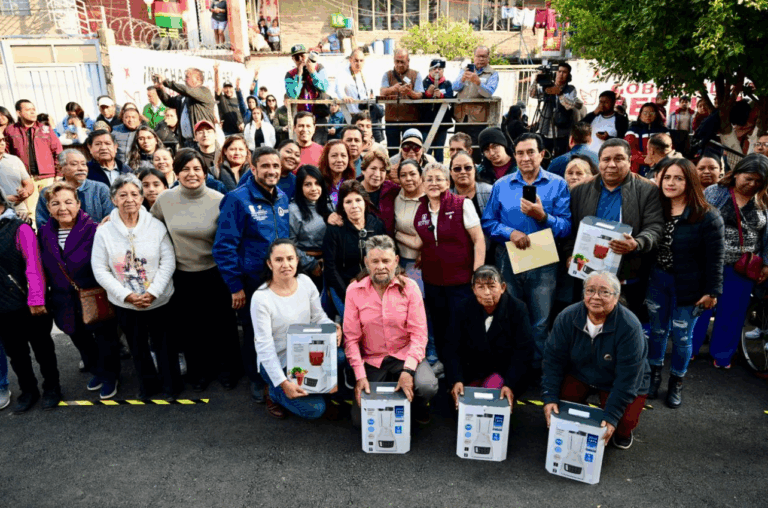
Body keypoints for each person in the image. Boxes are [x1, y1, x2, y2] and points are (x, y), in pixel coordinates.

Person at [151, 149, 241, 392]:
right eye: (185, 169)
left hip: (215, 272)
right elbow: (149, 227)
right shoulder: (165, 199)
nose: (191, 174)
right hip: (182, 274)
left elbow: (232, 236)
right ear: (176, 172)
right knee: (191, 328)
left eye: (197, 169)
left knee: (222, 326)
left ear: (205, 172)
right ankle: (200, 372)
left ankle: (228, 370)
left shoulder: (218, 198)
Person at [482, 133, 571, 373]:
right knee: (510, 317)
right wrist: (510, 233)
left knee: (541, 321)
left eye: (531, 152)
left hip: (543, 260)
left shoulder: (557, 184)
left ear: (542, 154)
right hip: (509, 258)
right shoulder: (502, 185)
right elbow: (488, 222)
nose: (525, 158)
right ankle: (511, 369)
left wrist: (543, 217)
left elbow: (566, 227)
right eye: (520, 153)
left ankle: (536, 372)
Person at [644, 158, 724, 408]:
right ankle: (654, 376)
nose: (671, 182)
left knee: (681, 337)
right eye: (667, 177)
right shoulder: (657, 208)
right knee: (656, 333)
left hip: (690, 288)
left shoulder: (708, 216)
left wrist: (712, 291)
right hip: (658, 281)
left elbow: (716, 258)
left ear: (690, 181)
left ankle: (676, 381)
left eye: (678, 178)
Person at [92, 174, 179, 401]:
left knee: (164, 345)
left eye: (134, 194)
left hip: (159, 299)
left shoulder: (156, 226)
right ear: (113, 199)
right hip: (126, 303)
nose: (129, 199)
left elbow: (168, 261)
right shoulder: (104, 231)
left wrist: (153, 292)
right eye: (122, 195)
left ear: (142, 198)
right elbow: (100, 269)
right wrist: (127, 296)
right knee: (137, 347)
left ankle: (171, 386)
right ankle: (148, 386)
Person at [213, 146, 290, 403]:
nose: (271, 171)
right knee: (255, 332)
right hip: (252, 280)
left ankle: (278, 375)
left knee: (278, 329)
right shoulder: (237, 199)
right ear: (253, 168)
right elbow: (224, 246)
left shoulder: (283, 198)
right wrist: (235, 285)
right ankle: (256, 380)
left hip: (281, 279)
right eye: (265, 166)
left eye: (275, 166)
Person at [542, 271, 651, 450]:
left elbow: (628, 378)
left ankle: (620, 427)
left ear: (616, 297)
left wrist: (612, 416)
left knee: (622, 425)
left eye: (604, 292)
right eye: (590, 290)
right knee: (559, 409)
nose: (595, 297)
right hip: (581, 373)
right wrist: (549, 397)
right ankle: (587, 415)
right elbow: (552, 361)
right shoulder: (567, 317)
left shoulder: (630, 326)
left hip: (618, 380)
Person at [38, 182, 121, 399]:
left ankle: (110, 375)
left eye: (68, 202)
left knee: (104, 338)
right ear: (48, 208)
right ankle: (97, 371)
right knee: (79, 338)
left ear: (78, 204)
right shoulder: (45, 234)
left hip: (94, 293)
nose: (62, 208)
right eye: (55, 203)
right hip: (62, 298)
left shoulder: (94, 229)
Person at [344, 234, 439, 424]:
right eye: (375, 261)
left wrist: (408, 371)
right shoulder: (354, 290)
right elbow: (351, 339)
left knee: (427, 386)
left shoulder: (410, 288)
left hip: (405, 355)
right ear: (366, 263)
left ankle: (416, 407)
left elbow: (419, 335)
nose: (380, 266)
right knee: (359, 420)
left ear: (396, 261)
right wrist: (360, 376)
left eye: (386, 261)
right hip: (373, 359)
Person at [565, 138, 664, 316]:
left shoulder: (647, 190)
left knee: (623, 329)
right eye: (606, 159)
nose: (611, 164)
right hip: (587, 273)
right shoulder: (579, 190)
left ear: (629, 160)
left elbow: (655, 227)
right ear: (599, 162)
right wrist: (568, 254)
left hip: (628, 275)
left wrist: (637, 243)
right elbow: (568, 229)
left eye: (618, 159)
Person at [690, 154, 768, 369]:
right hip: (710, 261)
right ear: (736, 175)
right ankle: (689, 349)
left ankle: (722, 354)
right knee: (700, 307)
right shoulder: (715, 192)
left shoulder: (763, 198)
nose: (752, 184)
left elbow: (767, 235)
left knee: (733, 311)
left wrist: (766, 263)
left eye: (758, 181)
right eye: (748, 178)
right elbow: (697, 223)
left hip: (744, 266)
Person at [252, 238, 341, 419]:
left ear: (297, 261)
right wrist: (283, 382)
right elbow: (264, 348)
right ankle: (274, 392)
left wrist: (333, 328)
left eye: (290, 258)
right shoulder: (261, 298)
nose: (286, 264)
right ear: (269, 264)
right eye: (279, 260)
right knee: (315, 409)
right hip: (280, 361)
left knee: (341, 356)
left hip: (305, 354)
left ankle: (314, 388)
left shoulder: (305, 282)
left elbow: (318, 317)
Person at [0, 188, 62, 413]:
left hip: (29, 303)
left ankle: (52, 387)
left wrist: (36, 299)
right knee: (16, 354)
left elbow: (33, 265)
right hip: (3, 308)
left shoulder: (20, 228)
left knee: (43, 349)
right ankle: (29, 390)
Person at [415, 162, 485, 361]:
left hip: (461, 281)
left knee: (463, 327)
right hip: (433, 281)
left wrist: (477, 274)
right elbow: (422, 240)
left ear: (447, 182)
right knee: (440, 327)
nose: (434, 183)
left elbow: (478, 239)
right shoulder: (421, 209)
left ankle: (468, 371)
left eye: (439, 179)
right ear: (423, 183)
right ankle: (447, 372)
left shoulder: (462, 203)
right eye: (429, 179)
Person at [445, 265, 533, 407]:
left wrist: (510, 384)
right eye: (480, 287)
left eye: (492, 287)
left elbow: (523, 351)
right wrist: (457, 379)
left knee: (489, 402)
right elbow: (451, 347)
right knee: (465, 403)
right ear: (473, 289)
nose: (487, 293)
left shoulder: (517, 309)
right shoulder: (462, 308)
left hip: (502, 371)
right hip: (471, 370)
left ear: (503, 287)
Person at [322, 180, 386, 317]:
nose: (354, 206)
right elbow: (330, 268)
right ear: (342, 206)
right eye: (348, 202)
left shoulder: (376, 225)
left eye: (358, 200)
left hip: (373, 286)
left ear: (365, 202)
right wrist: (349, 295)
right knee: (353, 324)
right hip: (343, 286)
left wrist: (366, 281)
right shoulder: (334, 230)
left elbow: (386, 258)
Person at [4, 99, 63, 226]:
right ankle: (36, 241)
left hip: (48, 178)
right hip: (26, 180)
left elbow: (58, 152)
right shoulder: (10, 131)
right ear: (19, 113)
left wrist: (58, 175)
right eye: (28, 110)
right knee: (32, 213)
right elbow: (6, 156)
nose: (32, 112)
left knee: (53, 208)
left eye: (33, 109)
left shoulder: (46, 129)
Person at [36, 149, 113, 227]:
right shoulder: (48, 192)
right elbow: (42, 225)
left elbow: (110, 220)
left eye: (83, 164)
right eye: (74, 164)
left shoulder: (101, 189)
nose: (81, 168)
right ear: (60, 168)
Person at [452, 46, 499, 163]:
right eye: (478, 56)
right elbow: (454, 87)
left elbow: (488, 93)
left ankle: (476, 174)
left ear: (488, 58)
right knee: (458, 146)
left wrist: (478, 83)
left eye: (484, 56)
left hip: (478, 118)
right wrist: (462, 79)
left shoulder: (492, 74)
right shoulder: (465, 69)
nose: (481, 59)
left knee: (475, 150)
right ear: (474, 57)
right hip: (461, 117)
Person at [290, 165, 332, 287]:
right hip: (305, 268)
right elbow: (290, 244)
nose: (314, 189)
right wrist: (311, 264)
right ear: (300, 187)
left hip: (328, 264)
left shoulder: (329, 207)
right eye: (308, 184)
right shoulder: (293, 211)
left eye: (317, 184)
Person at [154, 68, 217, 148]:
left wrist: (166, 82)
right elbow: (169, 102)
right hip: (185, 142)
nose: (184, 79)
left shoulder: (204, 92)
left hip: (201, 142)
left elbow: (186, 90)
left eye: (187, 77)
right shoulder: (184, 97)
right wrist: (159, 89)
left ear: (197, 79)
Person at [529, 62, 582, 158]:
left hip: (561, 132)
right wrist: (536, 80)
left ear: (568, 75)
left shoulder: (570, 89)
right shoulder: (547, 87)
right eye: (559, 71)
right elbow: (533, 94)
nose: (561, 74)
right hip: (546, 130)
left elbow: (569, 105)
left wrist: (559, 93)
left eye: (564, 72)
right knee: (543, 158)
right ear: (555, 73)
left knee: (560, 158)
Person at [380, 48, 424, 155]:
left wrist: (409, 93)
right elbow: (382, 91)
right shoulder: (387, 75)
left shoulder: (416, 75)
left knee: (410, 150)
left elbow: (420, 94)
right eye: (397, 62)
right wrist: (393, 89)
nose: (399, 65)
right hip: (391, 119)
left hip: (410, 120)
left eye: (402, 62)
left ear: (408, 61)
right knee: (392, 151)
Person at [285, 44, 330, 144]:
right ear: (293, 59)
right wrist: (299, 75)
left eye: (303, 56)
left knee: (319, 146)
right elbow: (293, 95)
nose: (301, 59)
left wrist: (312, 72)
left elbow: (324, 87)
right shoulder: (290, 74)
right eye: (297, 57)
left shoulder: (319, 68)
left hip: (319, 116)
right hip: (302, 118)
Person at [421, 58, 454, 163]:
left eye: (440, 68)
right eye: (434, 68)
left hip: (442, 122)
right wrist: (427, 94)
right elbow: (419, 97)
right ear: (429, 70)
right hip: (426, 121)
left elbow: (451, 96)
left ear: (443, 71)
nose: (437, 71)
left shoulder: (447, 83)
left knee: (439, 150)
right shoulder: (423, 83)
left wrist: (442, 96)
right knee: (427, 150)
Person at [625, 102, 669, 174]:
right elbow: (629, 150)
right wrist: (646, 160)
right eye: (645, 113)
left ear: (656, 115)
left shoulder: (663, 131)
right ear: (640, 115)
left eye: (652, 113)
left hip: (660, 167)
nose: (648, 115)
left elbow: (668, 149)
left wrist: (656, 160)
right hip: (637, 170)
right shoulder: (632, 130)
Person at [0, 136, 34, 219]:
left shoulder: (14, 160)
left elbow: (29, 184)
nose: (2, 143)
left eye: (3, 140)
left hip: (19, 212)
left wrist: (26, 192)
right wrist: (5, 199)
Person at [319, 139, 356, 208]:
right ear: (326, 158)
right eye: (334, 156)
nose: (339, 160)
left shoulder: (353, 184)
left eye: (343, 155)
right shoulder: (318, 183)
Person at [335, 49, 371, 115]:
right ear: (350, 60)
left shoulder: (366, 73)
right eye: (356, 61)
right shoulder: (343, 74)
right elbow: (339, 89)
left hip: (366, 114)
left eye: (361, 60)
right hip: (351, 115)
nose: (359, 63)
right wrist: (344, 97)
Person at [214, 68, 244, 137]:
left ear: (233, 89)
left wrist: (242, 123)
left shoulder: (236, 100)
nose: (228, 90)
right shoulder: (222, 99)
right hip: (227, 133)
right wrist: (216, 72)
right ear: (223, 89)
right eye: (226, 88)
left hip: (240, 132)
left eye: (230, 88)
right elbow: (217, 88)